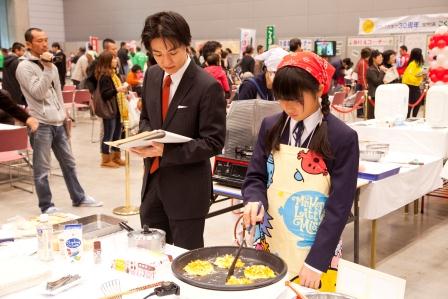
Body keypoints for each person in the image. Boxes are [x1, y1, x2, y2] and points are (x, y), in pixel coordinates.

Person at [242, 51, 359, 289]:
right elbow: (256, 176)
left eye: (295, 99)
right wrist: (254, 199)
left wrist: (317, 263)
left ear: (318, 90)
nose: (288, 107)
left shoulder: (342, 137)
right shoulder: (270, 126)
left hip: (317, 246)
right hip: (271, 237)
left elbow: (339, 206)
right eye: (281, 99)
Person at [131, 11, 226, 250]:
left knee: (187, 261)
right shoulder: (152, 75)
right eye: (158, 54)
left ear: (187, 44)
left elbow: (213, 142)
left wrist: (166, 151)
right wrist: (145, 137)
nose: (166, 61)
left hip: (187, 190)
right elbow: (146, 118)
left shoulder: (207, 86)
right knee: (151, 255)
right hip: (152, 184)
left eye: (172, 52)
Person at [15, 27, 102, 214]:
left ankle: (78, 197)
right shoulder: (24, 67)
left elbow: (57, 94)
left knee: (69, 163)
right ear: (29, 44)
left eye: (46, 39)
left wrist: (63, 116)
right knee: (42, 169)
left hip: (58, 123)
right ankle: (46, 206)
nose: (44, 44)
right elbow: (37, 93)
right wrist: (47, 69)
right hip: (40, 124)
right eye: (39, 40)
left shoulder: (52, 66)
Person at [96, 52, 128, 168]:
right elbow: (105, 95)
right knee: (108, 135)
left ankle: (116, 157)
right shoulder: (105, 76)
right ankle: (105, 160)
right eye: (113, 58)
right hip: (109, 110)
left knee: (117, 134)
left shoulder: (115, 75)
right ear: (107, 61)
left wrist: (122, 89)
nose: (116, 60)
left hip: (117, 109)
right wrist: (118, 89)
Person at [402, 48, 425, 118]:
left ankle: (413, 118)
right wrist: (418, 78)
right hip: (410, 86)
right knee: (410, 104)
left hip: (415, 86)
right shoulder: (412, 64)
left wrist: (420, 76)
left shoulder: (418, 63)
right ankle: (408, 118)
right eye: (420, 53)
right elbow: (409, 76)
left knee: (417, 103)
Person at [366, 50, 386, 119]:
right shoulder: (371, 69)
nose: (382, 59)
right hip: (373, 95)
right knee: (372, 116)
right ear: (374, 58)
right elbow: (376, 82)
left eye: (382, 57)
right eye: (379, 57)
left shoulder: (378, 68)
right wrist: (382, 71)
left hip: (379, 94)